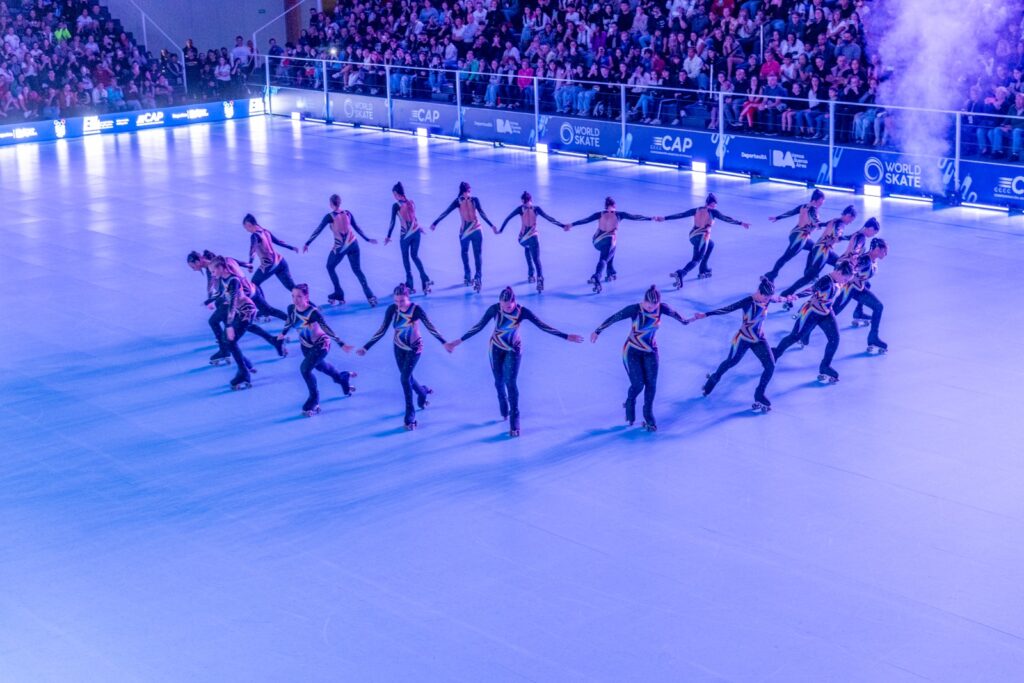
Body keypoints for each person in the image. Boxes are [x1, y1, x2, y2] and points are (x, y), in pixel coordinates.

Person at [445, 287, 583, 436]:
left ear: (514, 302)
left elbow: (542, 326)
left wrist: (565, 336)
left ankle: (514, 420)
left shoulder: (522, 312)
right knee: (499, 382)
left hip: (513, 350)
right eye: (502, 306)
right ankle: (502, 401)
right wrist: (457, 341)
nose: (505, 309)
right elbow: (478, 327)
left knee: (510, 383)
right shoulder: (494, 309)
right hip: (495, 349)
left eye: (508, 306)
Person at [590, 286, 692, 431]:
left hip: (651, 351)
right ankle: (630, 402)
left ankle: (648, 416)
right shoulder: (634, 309)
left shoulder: (662, 308)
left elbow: (678, 316)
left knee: (651, 385)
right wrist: (597, 331)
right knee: (638, 385)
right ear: (644, 301)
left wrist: (688, 320)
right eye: (648, 305)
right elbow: (615, 317)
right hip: (632, 352)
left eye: (654, 306)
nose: (651, 308)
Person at [694, 277, 795, 412]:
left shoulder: (767, 298)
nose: (767, 300)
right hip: (743, 338)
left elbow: (777, 299)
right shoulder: (748, 302)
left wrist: (788, 299)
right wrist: (705, 314)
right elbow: (727, 309)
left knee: (770, 366)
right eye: (766, 297)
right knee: (731, 362)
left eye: (768, 298)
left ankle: (759, 394)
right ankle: (713, 379)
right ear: (759, 292)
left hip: (759, 339)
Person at [357, 284, 449, 430]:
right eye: (396, 301)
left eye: (402, 301)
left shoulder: (416, 310)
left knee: (405, 378)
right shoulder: (392, 310)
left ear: (408, 298)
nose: (399, 304)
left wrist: (444, 342)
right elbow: (382, 330)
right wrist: (366, 347)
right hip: (399, 347)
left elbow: (431, 327)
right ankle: (422, 392)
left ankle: (410, 414)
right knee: (408, 377)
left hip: (415, 348)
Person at [278, 284, 356, 416]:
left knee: (305, 369)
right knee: (322, 367)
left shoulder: (313, 312)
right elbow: (290, 320)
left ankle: (314, 400)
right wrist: (283, 333)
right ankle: (343, 378)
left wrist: (341, 343)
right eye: (293, 296)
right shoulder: (291, 308)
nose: (295, 299)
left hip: (321, 345)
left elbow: (325, 328)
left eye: (299, 296)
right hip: (305, 346)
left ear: (306, 297)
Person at [772, 260, 855, 383]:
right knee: (794, 337)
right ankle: (774, 355)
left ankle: (825, 366)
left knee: (835, 339)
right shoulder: (826, 281)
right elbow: (811, 290)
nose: (846, 281)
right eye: (846, 278)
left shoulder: (839, 279)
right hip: (811, 313)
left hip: (826, 313)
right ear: (839, 272)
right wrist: (795, 296)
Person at [656, 192, 750, 289]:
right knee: (696, 259)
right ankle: (681, 273)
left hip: (692, 235)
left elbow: (681, 214)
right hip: (702, 237)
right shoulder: (713, 212)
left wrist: (664, 218)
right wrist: (741, 223)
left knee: (711, 244)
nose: (713, 207)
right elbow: (726, 218)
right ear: (711, 204)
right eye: (713, 206)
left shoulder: (696, 210)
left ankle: (703, 268)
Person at [565, 197, 656, 293]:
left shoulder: (600, 214)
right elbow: (635, 217)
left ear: (605, 207)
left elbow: (585, 220)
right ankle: (597, 275)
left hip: (596, 241)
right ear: (615, 206)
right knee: (608, 250)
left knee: (609, 250)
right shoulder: (619, 215)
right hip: (608, 240)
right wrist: (650, 218)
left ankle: (610, 271)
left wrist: (571, 224)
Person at [303, 194, 379, 307]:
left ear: (331, 204)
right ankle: (370, 296)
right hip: (353, 244)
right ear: (340, 203)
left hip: (341, 247)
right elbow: (357, 227)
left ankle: (339, 293)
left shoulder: (329, 216)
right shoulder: (347, 213)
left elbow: (318, 230)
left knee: (330, 267)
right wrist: (367, 239)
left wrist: (307, 243)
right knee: (357, 270)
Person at [779, 205, 857, 301]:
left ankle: (832, 285)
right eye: (851, 219)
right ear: (848, 215)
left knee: (841, 264)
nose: (851, 222)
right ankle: (786, 294)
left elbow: (822, 225)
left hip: (824, 250)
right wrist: (849, 237)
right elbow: (836, 235)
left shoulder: (835, 220)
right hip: (822, 251)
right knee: (809, 277)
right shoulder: (839, 224)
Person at [430, 181, 496, 293]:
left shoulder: (467, 200)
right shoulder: (466, 200)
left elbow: (481, 213)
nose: (468, 193)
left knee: (471, 253)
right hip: (470, 230)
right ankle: (472, 276)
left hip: (470, 230)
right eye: (468, 191)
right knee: (471, 253)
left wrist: (491, 225)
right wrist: (435, 223)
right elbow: (447, 212)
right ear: (466, 191)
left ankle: (473, 276)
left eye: (468, 192)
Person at [496, 191, 568, 293]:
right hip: (533, 237)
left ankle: (530, 274)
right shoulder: (536, 209)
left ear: (522, 201)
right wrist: (562, 225)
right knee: (536, 259)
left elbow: (508, 218)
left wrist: (500, 230)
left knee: (527, 248)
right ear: (531, 200)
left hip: (522, 239)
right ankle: (539, 278)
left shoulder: (520, 208)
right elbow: (549, 219)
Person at [835, 238, 888, 353]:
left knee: (877, 305)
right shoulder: (866, 261)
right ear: (877, 250)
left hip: (857, 288)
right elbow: (850, 269)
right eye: (884, 251)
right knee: (832, 313)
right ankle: (803, 332)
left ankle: (872, 336)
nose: (886, 254)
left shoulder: (871, 259)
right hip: (850, 289)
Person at [764, 189, 827, 281]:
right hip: (800, 237)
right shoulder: (813, 209)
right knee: (786, 257)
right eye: (822, 201)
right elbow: (814, 219)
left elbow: (791, 212)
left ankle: (809, 274)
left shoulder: (804, 206)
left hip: (797, 234)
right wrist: (822, 224)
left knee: (815, 249)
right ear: (816, 200)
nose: (823, 203)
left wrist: (778, 217)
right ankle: (770, 276)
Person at [386, 182, 433, 294]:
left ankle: (410, 285)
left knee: (406, 258)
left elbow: (392, 222)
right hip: (416, 232)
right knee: (415, 256)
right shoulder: (411, 202)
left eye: (394, 194)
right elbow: (413, 217)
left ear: (397, 193)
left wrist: (388, 235)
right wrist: (419, 227)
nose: (394, 196)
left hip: (405, 236)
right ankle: (425, 279)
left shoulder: (396, 205)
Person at [244, 213, 299, 295]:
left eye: (245, 228)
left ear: (249, 225)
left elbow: (253, 250)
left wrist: (250, 264)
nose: (246, 230)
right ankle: (310, 305)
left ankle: (263, 306)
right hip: (281, 261)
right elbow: (278, 242)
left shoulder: (255, 236)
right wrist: (291, 247)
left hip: (269, 264)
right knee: (291, 287)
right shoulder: (266, 231)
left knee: (254, 284)